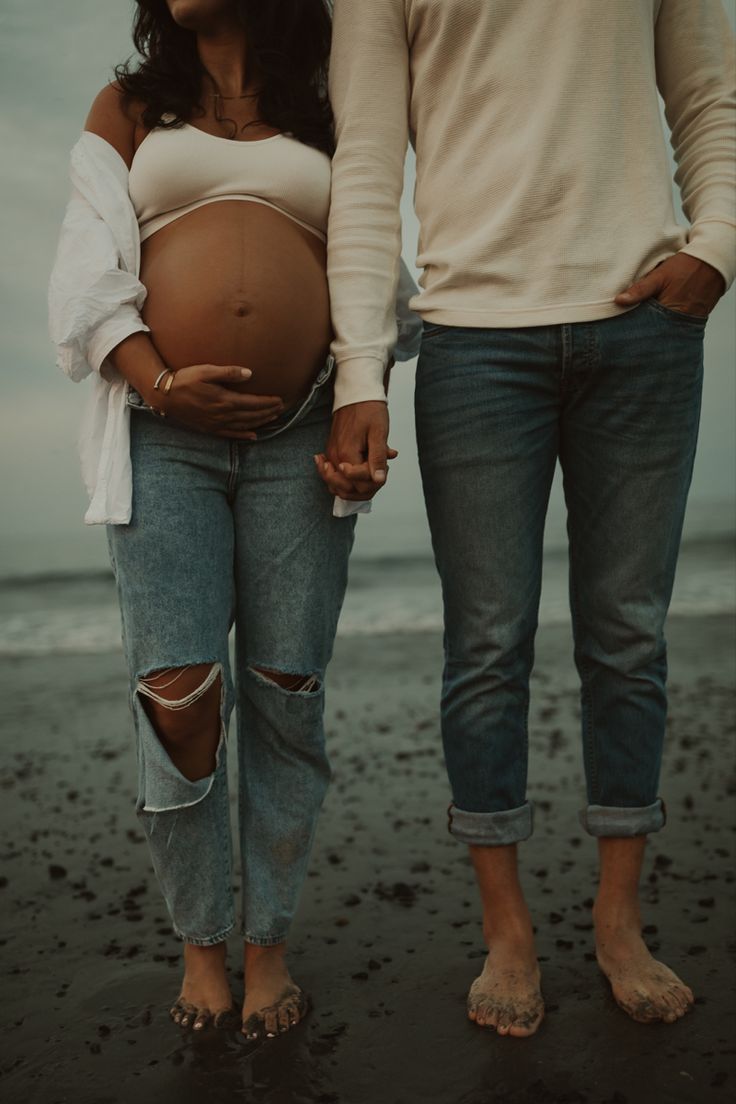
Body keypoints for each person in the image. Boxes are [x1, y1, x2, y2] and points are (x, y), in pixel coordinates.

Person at [319, 0, 736, 1036]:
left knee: (628, 637)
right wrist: (358, 369)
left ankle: (617, 923)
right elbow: (365, 168)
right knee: (488, 644)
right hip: (471, 344)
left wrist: (717, 244)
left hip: (642, 327)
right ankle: (506, 934)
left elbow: (709, 99)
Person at [48, 0, 420, 1039]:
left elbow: (371, 268)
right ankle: (201, 944)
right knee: (179, 695)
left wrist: (363, 393)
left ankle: (269, 949)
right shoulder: (130, 107)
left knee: (287, 688)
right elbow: (85, 268)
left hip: (298, 437)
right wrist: (161, 383)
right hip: (161, 433)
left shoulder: (330, 111)